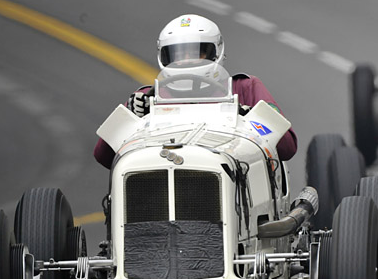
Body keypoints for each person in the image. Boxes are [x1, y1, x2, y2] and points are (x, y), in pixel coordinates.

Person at [93, 14, 298, 168]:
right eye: (178, 54)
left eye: (197, 52)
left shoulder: (244, 87)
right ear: (165, 57)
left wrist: (251, 119)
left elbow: (287, 147)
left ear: (215, 52)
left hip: (236, 182)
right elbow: (102, 156)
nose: (188, 59)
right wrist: (131, 115)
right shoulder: (147, 98)